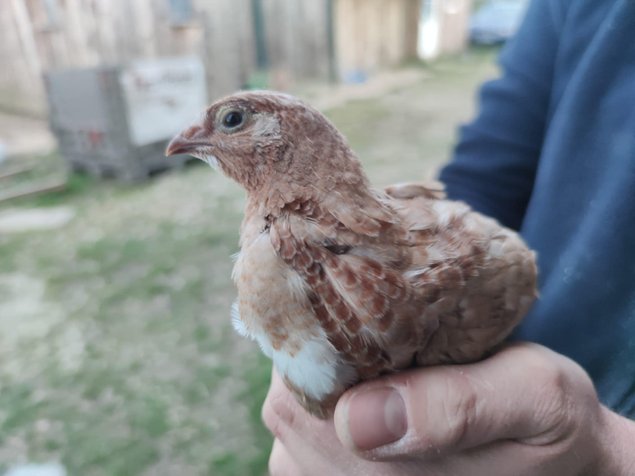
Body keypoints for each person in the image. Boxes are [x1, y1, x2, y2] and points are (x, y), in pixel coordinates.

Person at [262, 0, 635, 474]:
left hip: (522, 372)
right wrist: (399, 243)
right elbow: (489, 175)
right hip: (500, 358)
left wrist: (612, 455)